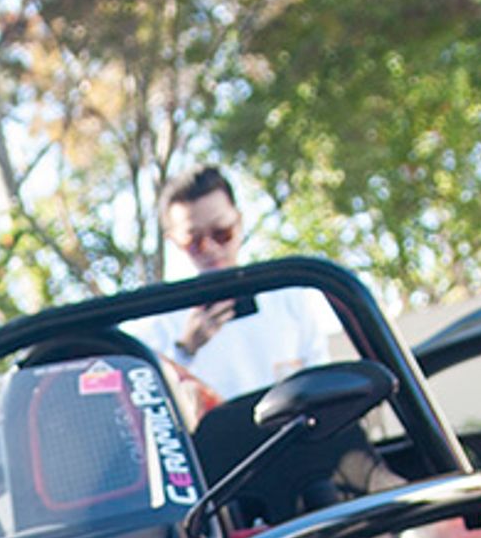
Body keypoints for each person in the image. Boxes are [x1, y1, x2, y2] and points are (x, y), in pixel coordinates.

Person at [127, 165, 352, 423]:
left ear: (239, 222)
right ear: (174, 241)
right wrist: (185, 350)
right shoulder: (161, 324)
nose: (210, 248)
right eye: (195, 241)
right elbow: (155, 414)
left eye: (222, 233)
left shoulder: (289, 291)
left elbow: (322, 381)